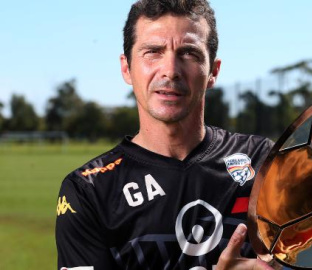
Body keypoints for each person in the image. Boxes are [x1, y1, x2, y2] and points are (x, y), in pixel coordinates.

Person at [55, 0, 274, 269]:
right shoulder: (89, 190)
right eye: (153, 51)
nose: (170, 70)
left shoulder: (263, 161)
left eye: (189, 53)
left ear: (213, 72)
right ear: (127, 68)